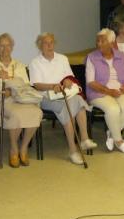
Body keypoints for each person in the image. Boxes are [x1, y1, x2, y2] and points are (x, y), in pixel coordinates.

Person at [29, 33, 97, 165]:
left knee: (78, 100)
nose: (49, 45)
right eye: (45, 43)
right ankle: (73, 150)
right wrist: (52, 86)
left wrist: (67, 81)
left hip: (65, 95)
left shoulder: (62, 59)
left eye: (51, 42)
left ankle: (83, 139)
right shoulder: (34, 62)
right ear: (40, 46)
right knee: (70, 107)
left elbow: (70, 78)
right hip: (46, 97)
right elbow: (36, 85)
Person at [0, 33, 42, 168]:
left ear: (12, 47)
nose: (5, 48)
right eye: (1, 46)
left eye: (8, 45)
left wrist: (11, 92)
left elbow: (25, 87)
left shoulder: (18, 65)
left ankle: (24, 148)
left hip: (19, 100)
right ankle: (14, 149)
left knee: (36, 112)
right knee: (16, 115)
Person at [85, 29, 124, 153]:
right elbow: (90, 82)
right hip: (98, 92)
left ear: (112, 42)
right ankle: (119, 141)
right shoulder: (91, 58)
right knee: (113, 109)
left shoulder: (120, 55)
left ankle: (112, 133)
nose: (99, 43)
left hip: (119, 90)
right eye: (97, 41)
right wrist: (109, 91)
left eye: (103, 41)